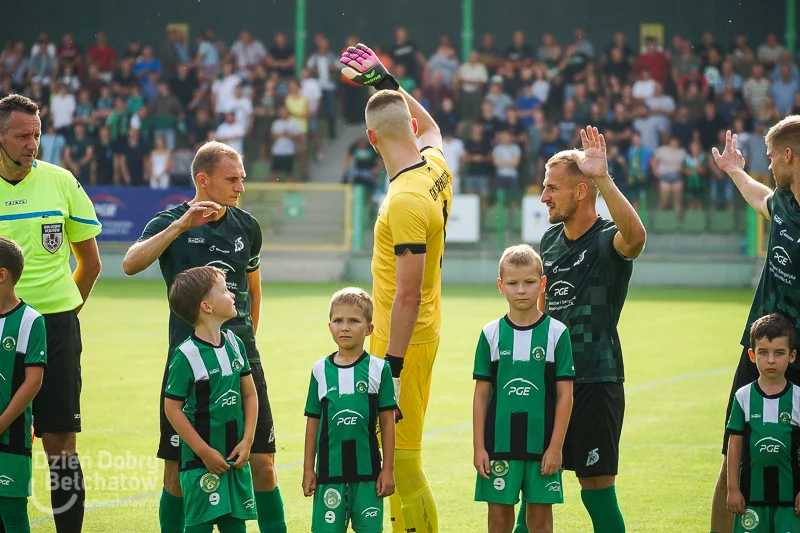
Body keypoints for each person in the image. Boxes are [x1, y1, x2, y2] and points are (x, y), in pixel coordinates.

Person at [121, 141, 286, 533]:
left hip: (242, 362)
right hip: (189, 368)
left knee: (262, 465)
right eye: (232, 179)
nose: (240, 187)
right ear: (203, 180)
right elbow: (129, 264)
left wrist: (244, 346)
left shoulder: (247, 225)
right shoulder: (169, 221)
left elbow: (252, 290)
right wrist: (181, 227)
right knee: (177, 474)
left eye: (242, 178)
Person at [340, 43, 453, 533]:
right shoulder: (435, 167)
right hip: (416, 331)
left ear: (370, 139)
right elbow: (432, 128)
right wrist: (385, 82)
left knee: (402, 462)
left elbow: (407, 294)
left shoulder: (405, 199)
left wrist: (392, 367)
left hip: (402, 341)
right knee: (390, 459)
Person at [515, 126, 647, 533]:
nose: (543, 197)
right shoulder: (549, 239)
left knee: (596, 488)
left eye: (552, 188)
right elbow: (542, 308)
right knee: (535, 489)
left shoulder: (609, 239)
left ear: (581, 192)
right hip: (549, 381)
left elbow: (637, 238)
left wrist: (603, 177)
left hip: (595, 379)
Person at [0, 94, 102, 532]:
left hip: (56, 326)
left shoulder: (61, 181)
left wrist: (62, 316)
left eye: (37, 135)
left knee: (60, 443)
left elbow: (91, 263)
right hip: (1, 330)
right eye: (22, 135)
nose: (32, 143)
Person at [709, 118, 800, 533]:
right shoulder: (783, 200)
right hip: (762, 348)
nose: (769, 165)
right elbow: (760, 196)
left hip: (796, 355)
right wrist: (734, 171)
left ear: (788, 155)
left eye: (769, 157)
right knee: (734, 449)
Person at [473, 244, 574, 533]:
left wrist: (556, 447)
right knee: (499, 519)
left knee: (540, 520)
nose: (521, 290)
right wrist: (479, 446)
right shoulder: (490, 334)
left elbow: (565, 395)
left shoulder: (557, 333)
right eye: (513, 283)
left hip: (542, 445)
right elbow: (482, 395)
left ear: (542, 284)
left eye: (529, 282)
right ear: (500, 286)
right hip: (498, 445)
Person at [163, 266, 258, 533]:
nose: (232, 294)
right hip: (200, 462)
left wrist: (247, 440)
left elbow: (250, 394)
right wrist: (204, 452)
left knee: (236, 526)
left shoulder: (235, 343)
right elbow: (172, 408)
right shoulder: (186, 354)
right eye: (225, 291)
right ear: (206, 306)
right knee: (198, 527)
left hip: (234, 457)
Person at [302, 287, 397, 533]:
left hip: (368, 474)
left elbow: (387, 422)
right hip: (329, 474)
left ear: (369, 329)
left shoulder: (379, 369)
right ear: (329, 326)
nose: (344, 327)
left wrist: (388, 470)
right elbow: (313, 421)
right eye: (338, 321)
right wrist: (308, 469)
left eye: (354, 321)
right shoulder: (319, 370)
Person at [726, 313, 800, 533]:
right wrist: (732, 488)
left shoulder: (798, 397)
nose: (770, 360)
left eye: (779, 353)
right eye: (763, 353)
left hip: (790, 499)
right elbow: (735, 444)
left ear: (792, 356)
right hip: (751, 497)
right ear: (752, 355)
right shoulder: (743, 397)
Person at [0, 237, 47, 533]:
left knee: (12, 509)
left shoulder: (30, 321)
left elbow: (33, 382)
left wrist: (1, 423)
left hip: (13, 434)